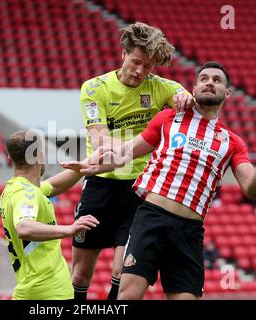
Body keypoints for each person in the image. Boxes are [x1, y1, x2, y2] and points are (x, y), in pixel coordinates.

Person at [64, 61, 256, 299]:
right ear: (193, 88)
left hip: (189, 232)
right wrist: (90, 167)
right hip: (151, 219)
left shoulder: (232, 142)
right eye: (204, 79)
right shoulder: (169, 119)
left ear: (227, 93)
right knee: (127, 296)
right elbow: (126, 153)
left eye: (217, 80)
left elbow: (252, 190)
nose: (210, 82)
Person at [73, 21, 194, 300]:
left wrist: (185, 101)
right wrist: (142, 144)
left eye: (148, 66)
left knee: (122, 272)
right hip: (101, 184)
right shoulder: (94, 88)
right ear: (123, 54)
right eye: (136, 62)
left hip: (139, 189)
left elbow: (192, 105)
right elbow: (101, 141)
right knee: (80, 274)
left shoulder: (162, 88)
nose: (140, 71)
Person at [0, 130, 99, 300]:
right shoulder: (26, 194)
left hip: (32, 290)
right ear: (38, 156)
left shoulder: (15, 189)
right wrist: (69, 229)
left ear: (10, 159)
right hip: (50, 292)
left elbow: (53, 186)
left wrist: (89, 163)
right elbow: (24, 227)